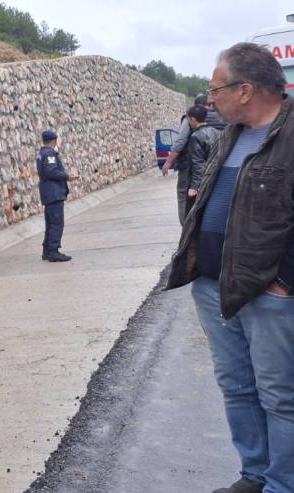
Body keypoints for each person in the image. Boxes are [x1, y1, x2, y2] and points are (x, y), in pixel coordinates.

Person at [167, 42, 294, 493]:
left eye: (215, 88)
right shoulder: (230, 134)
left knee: (280, 396)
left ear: (245, 90)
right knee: (237, 386)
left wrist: (286, 281)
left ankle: (283, 484)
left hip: (268, 292)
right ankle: (255, 475)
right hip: (212, 286)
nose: (209, 97)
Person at [36, 129, 75, 262]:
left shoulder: (42, 153)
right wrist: (67, 176)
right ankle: (53, 251)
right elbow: (51, 171)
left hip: (48, 193)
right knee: (56, 222)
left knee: (50, 223)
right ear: (54, 140)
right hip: (53, 193)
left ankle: (47, 250)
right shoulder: (49, 154)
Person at [184, 104, 220, 213]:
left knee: (194, 213)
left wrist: (195, 187)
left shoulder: (196, 136)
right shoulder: (217, 132)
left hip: (202, 182)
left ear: (193, 119)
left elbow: (198, 163)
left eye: (188, 119)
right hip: (216, 177)